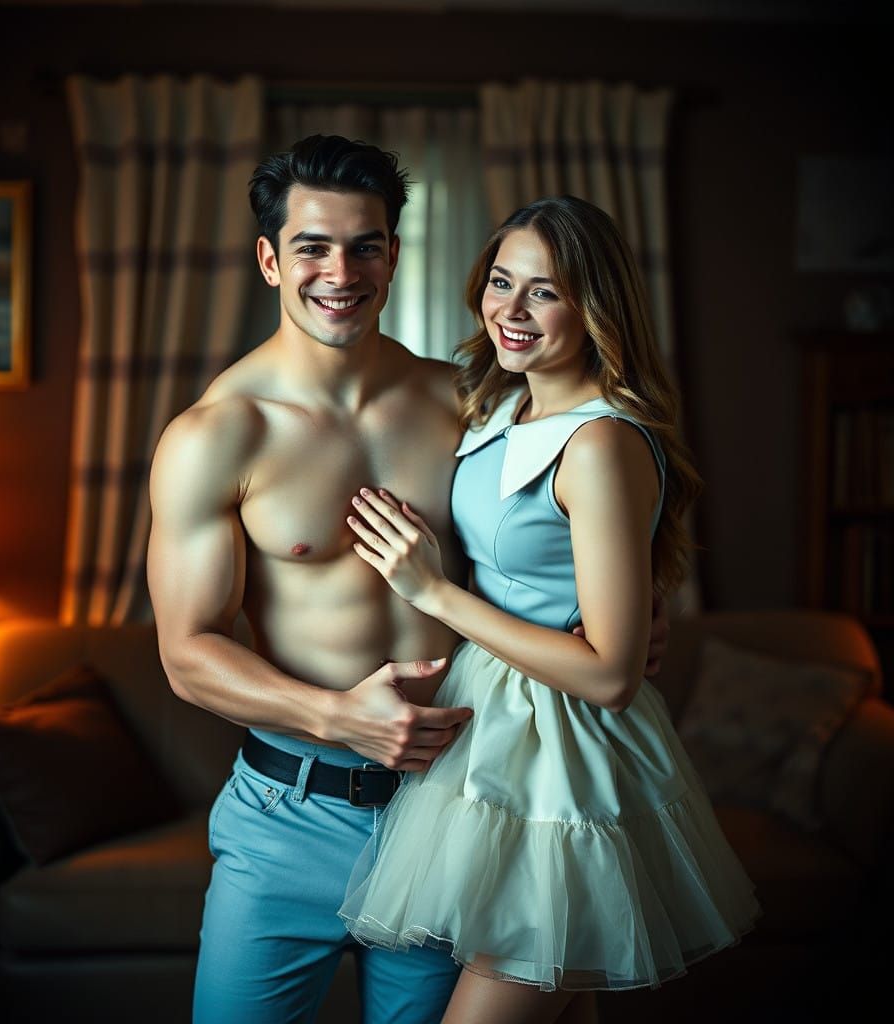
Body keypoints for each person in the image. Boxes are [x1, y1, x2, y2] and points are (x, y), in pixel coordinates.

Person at [148, 137, 666, 1024]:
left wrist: (625, 619)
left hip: (453, 804)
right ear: (271, 259)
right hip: (291, 814)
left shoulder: (469, 401)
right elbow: (187, 654)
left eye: (366, 245)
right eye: (312, 246)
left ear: (395, 254)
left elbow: (573, 514)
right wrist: (336, 715)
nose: (340, 271)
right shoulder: (216, 434)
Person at [338, 196, 761, 1024]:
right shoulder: (500, 406)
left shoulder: (599, 442)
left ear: (594, 306)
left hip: (566, 758)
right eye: (501, 282)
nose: (512, 310)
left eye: (546, 291)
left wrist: (433, 594)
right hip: (493, 736)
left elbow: (609, 676)